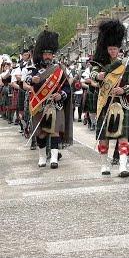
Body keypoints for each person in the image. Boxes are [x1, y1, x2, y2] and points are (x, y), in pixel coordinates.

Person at [91, 20, 129, 177]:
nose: (113, 52)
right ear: (107, 49)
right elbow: (92, 75)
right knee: (104, 137)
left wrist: (123, 89)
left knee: (123, 136)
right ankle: (104, 164)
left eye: (115, 49)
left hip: (122, 103)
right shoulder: (100, 63)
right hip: (105, 103)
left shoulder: (126, 64)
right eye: (110, 49)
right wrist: (99, 75)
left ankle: (123, 166)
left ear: (119, 49)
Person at [24, 29, 74, 168]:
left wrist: (61, 95)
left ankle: (54, 159)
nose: (47, 56)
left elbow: (66, 88)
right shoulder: (34, 68)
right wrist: (32, 80)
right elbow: (28, 80)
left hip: (55, 105)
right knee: (41, 134)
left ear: (53, 55)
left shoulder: (59, 69)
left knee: (55, 131)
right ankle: (41, 157)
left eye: (50, 54)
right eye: (45, 54)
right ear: (42, 54)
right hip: (40, 105)